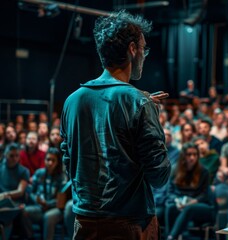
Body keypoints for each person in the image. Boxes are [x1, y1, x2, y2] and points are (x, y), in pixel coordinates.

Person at [60, 10, 171, 239]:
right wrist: (151, 119)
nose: (144, 54)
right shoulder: (139, 102)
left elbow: (69, 161)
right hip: (130, 224)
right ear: (132, 49)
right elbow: (159, 175)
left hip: (84, 221)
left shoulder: (72, 101)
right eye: (143, 48)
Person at [165, 143, 214, 240]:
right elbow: (170, 192)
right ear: (183, 156)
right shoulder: (175, 169)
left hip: (202, 205)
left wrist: (192, 202)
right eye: (189, 154)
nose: (192, 157)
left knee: (189, 208)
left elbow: (205, 195)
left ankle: (171, 237)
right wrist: (177, 201)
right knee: (170, 207)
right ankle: (169, 235)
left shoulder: (204, 171)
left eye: (195, 154)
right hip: (181, 202)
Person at [24, 147, 66, 240]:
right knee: (24, 211)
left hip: (55, 208)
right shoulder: (39, 173)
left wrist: (48, 204)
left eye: (53, 160)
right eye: (48, 159)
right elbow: (32, 192)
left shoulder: (62, 177)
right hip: (39, 206)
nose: (50, 163)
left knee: (48, 216)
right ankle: (31, 237)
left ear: (58, 162)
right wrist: (37, 200)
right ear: (45, 160)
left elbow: (61, 200)